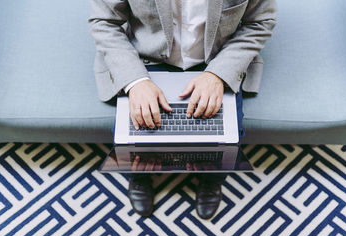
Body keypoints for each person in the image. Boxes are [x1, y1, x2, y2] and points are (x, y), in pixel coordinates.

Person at [89, 0, 277, 219]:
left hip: (217, 58)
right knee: (133, 133)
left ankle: (211, 179)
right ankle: (139, 176)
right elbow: (104, 21)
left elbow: (260, 22)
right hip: (146, 59)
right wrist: (136, 80)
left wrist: (218, 75)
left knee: (226, 139)